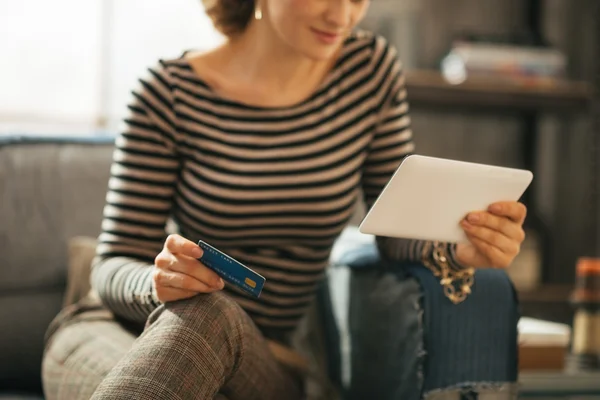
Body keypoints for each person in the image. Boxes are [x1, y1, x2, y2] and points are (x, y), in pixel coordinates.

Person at [41, 0, 528, 399]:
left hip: (262, 359)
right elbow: (111, 265)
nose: (341, 16)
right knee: (200, 313)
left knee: (212, 315)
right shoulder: (168, 93)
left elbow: (392, 226)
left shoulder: (368, 72)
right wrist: (161, 283)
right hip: (113, 334)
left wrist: (457, 248)